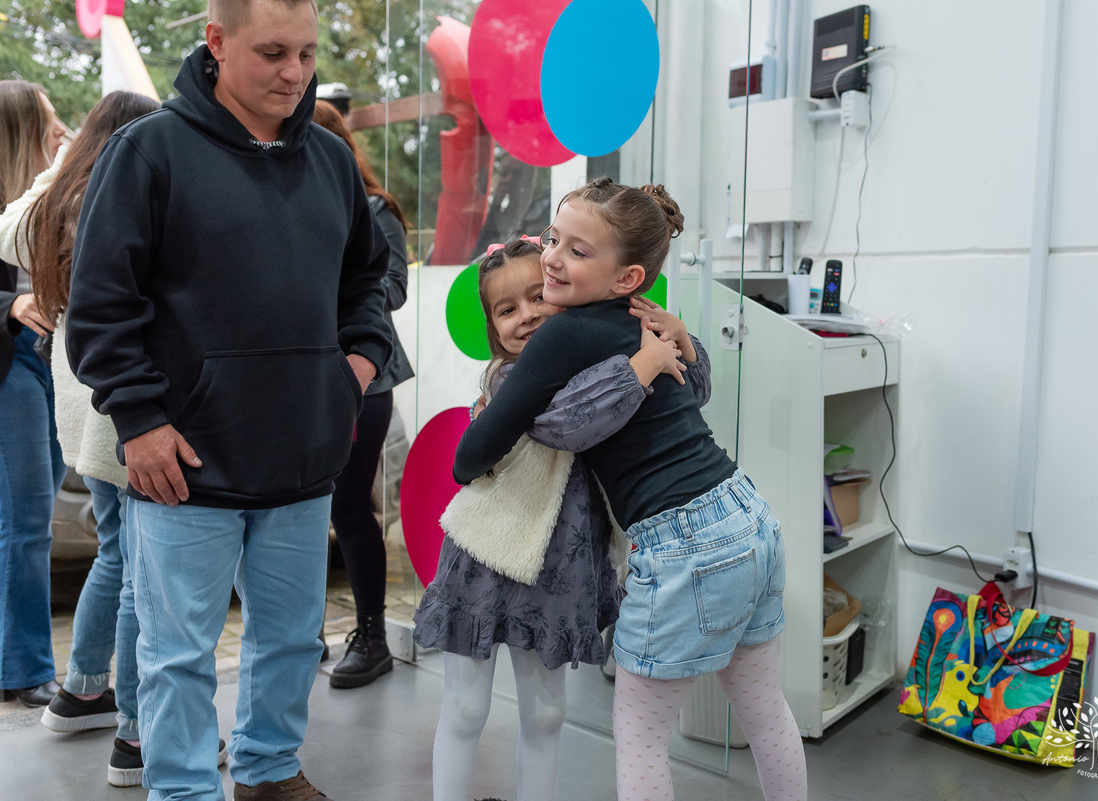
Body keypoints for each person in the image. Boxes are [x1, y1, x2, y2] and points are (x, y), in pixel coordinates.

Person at [65, 0, 393, 798]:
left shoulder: (329, 159)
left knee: (288, 639)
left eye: (308, 53)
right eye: (274, 52)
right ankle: (181, 788)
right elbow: (101, 303)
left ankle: (269, 769)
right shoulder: (148, 152)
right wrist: (138, 419)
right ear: (216, 43)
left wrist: (355, 365)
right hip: (183, 461)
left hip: (303, 454)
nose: (296, 72)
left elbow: (367, 281)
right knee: (177, 654)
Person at [453, 178, 808, 801]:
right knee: (763, 709)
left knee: (641, 741)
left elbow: (470, 458)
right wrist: (678, 339)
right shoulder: (639, 320)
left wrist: (510, 410)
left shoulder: (565, 334)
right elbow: (692, 391)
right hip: (746, 513)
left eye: (579, 252)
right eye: (554, 239)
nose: (554, 259)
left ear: (627, 277)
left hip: (684, 543)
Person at [415, 236, 691, 801]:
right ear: (493, 329)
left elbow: (684, 389)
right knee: (465, 706)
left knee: (546, 712)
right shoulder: (509, 381)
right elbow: (569, 418)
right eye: (507, 309)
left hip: (561, 563)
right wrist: (639, 363)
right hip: (487, 557)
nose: (527, 316)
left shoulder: (598, 360)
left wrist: (674, 338)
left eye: (537, 296)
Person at [17, 90, 227, 788]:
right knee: (144, 570)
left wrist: (56, 164)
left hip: (81, 401)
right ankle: (138, 734)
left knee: (118, 552)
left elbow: (6, 227)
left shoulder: (54, 204)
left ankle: (81, 689)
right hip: (123, 408)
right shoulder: (123, 197)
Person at [310, 99, 413, 689]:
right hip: (298, 383)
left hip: (364, 379)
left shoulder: (376, 209)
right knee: (299, 512)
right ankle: (304, 633)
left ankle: (372, 636)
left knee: (349, 507)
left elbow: (391, 288)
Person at [0, 78, 68, 709]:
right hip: (10, 364)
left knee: (29, 521)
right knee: (26, 527)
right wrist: (12, 302)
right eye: (49, 118)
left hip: (49, 362)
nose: (59, 128)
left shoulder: (44, 201)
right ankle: (25, 670)